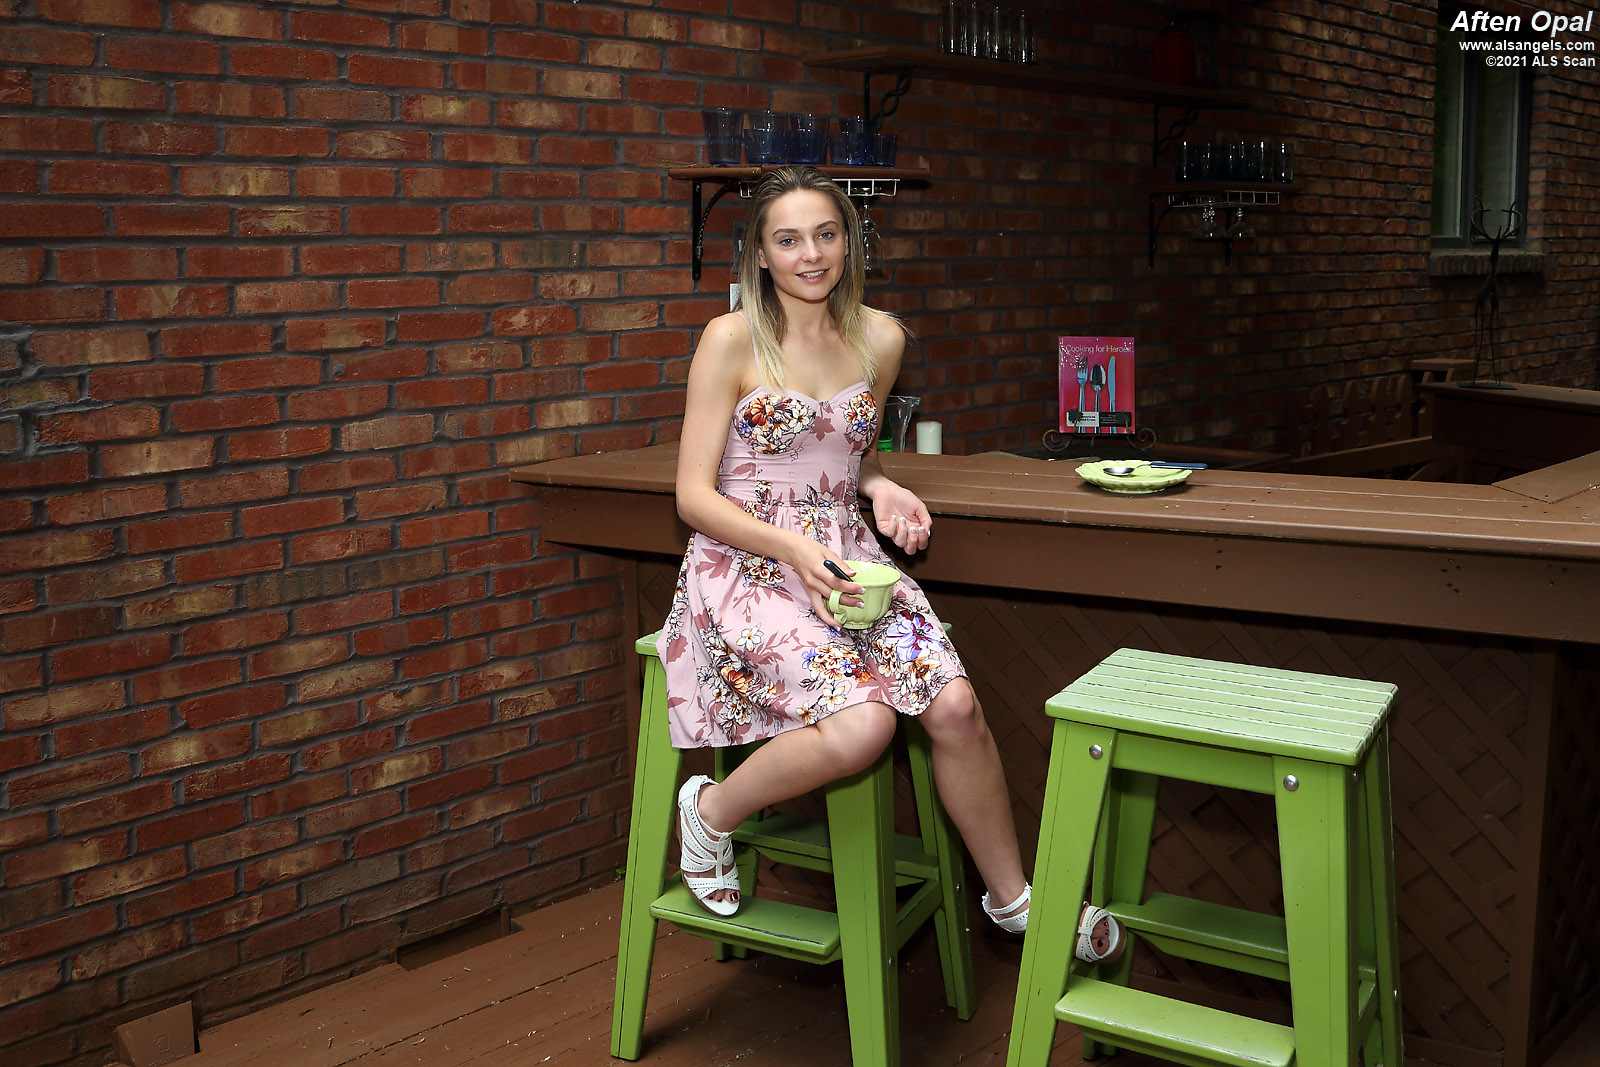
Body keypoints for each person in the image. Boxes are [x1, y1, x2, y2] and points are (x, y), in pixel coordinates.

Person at [656, 165, 1122, 961]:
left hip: (846, 558)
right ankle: (709, 813)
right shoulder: (730, 338)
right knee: (864, 724)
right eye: (788, 240)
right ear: (760, 255)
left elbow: (848, 454)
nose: (811, 254)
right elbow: (692, 496)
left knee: (956, 707)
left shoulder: (882, 338)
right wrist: (791, 545)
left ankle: (1014, 902)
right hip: (745, 562)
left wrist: (880, 485)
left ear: (850, 240)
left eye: (826, 234)